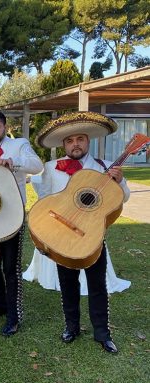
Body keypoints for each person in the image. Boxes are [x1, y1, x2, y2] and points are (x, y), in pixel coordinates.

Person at [33, 111, 130, 353]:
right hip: (63, 235)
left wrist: (118, 182)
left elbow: (123, 198)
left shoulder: (107, 167)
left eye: (80, 139)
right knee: (67, 284)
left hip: (92, 238)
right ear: (64, 144)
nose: (75, 144)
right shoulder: (51, 168)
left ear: (88, 141)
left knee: (97, 285)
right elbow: (46, 201)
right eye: (69, 140)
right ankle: (71, 326)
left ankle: (102, 332)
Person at [0, 110, 43, 336]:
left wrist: (14, 162)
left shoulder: (19, 145)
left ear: (4, 127)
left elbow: (37, 165)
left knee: (10, 267)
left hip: (13, 214)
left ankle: (14, 316)